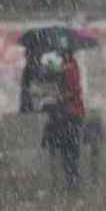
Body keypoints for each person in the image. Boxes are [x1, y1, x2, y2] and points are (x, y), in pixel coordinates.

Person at [42, 50, 85, 192]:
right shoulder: (71, 67)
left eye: (62, 55)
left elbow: (72, 92)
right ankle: (72, 181)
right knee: (71, 151)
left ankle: (72, 182)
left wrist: (60, 97)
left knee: (69, 150)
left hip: (70, 115)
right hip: (72, 115)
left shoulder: (70, 69)